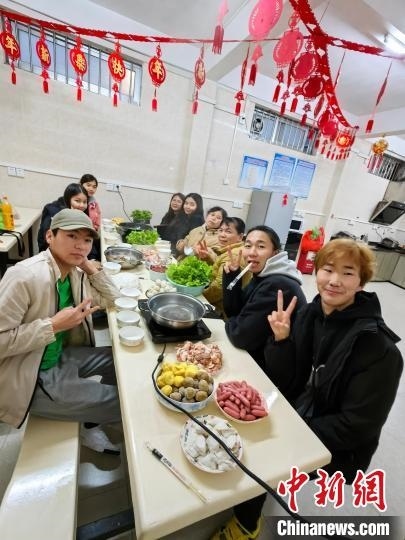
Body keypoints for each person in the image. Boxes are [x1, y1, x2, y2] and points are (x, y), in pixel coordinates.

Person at [211, 239, 403, 540]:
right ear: (317, 272)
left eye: (348, 273)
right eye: (328, 269)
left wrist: (287, 433)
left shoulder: (379, 349)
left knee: (261, 456)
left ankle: (246, 524)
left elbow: (357, 426)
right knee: (233, 423)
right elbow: (286, 377)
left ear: (361, 281)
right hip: (296, 409)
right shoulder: (309, 314)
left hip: (338, 444)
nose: (335, 280)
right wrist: (281, 341)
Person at [0, 208, 123, 454]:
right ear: (49, 236)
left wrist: (87, 265)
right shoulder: (24, 276)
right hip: (30, 375)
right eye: (72, 236)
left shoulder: (74, 272)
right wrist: (53, 325)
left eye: (86, 240)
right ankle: (92, 415)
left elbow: (114, 300)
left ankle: (90, 421)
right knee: (124, 402)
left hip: (59, 356)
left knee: (118, 362)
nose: (80, 245)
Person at [222, 225, 306, 369]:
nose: (252, 252)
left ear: (275, 253)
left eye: (261, 246)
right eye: (248, 246)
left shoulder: (277, 284)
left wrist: (231, 321)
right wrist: (232, 274)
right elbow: (234, 311)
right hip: (258, 355)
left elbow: (241, 336)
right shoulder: (263, 275)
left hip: (271, 369)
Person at [202, 217, 248, 317]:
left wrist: (200, 296)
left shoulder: (234, 254)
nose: (222, 234)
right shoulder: (229, 249)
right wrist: (206, 258)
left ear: (240, 237)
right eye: (220, 230)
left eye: (228, 231)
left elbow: (219, 288)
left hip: (221, 311)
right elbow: (217, 270)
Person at [37, 182, 89, 252]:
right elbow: (47, 240)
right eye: (77, 201)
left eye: (84, 202)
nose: (82, 205)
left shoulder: (79, 214)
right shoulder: (53, 212)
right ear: (68, 199)